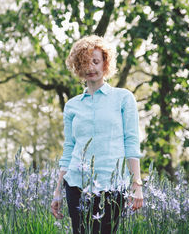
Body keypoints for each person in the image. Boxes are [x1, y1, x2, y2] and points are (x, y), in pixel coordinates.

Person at [50, 35, 143, 234]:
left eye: (96, 61)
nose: (91, 67)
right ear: (78, 67)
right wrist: (58, 190)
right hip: (76, 185)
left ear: (105, 63)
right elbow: (69, 149)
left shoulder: (123, 98)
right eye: (85, 63)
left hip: (112, 187)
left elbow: (131, 143)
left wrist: (137, 185)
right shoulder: (72, 106)